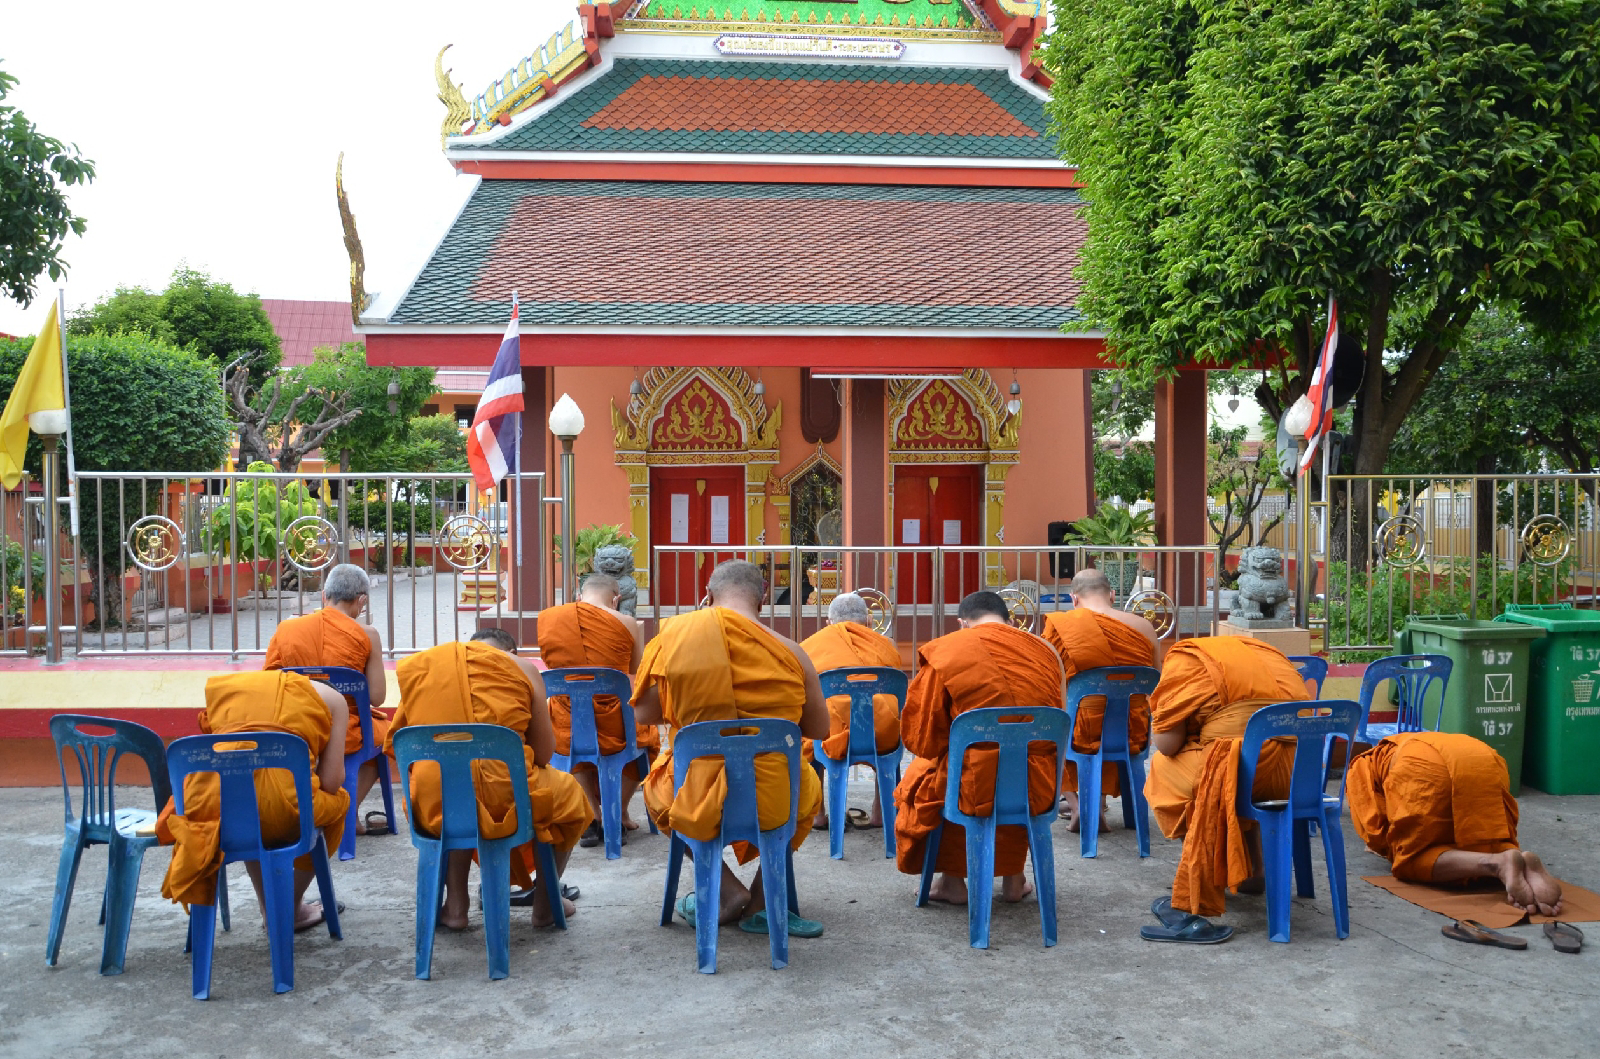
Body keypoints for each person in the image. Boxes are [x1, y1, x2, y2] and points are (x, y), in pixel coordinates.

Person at [632, 559, 830, 935]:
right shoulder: (791, 652)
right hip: (774, 797)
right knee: (806, 786)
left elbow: (643, 714)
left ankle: (726, 889)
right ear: (763, 601)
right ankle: (761, 903)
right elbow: (820, 729)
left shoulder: (674, 641)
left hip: (694, 793)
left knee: (658, 789)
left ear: (707, 596)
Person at [384, 628, 593, 929]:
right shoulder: (522, 668)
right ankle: (546, 904)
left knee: (455, 791)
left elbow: (401, 745)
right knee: (570, 796)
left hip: (434, 801)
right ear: (509, 654)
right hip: (508, 798)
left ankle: (456, 905)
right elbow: (544, 753)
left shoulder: (430, 668)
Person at [893, 590, 1067, 906]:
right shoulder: (1044, 651)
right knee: (1017, 759)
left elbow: (924, 739)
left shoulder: (948, 651)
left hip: (974, 789)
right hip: (1040, 786)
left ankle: (952, 882)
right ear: (1010, 622)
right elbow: (1059, 718)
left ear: (962, 623)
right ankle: (1014, 879)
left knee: (938, 770)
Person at [157, 670, 350, 932]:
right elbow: (332, 781)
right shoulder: (334, 699)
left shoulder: (229, 688)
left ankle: (267, 907)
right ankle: (290, 907)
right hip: (286, 807)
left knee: (244, 796)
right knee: (339, 800)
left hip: (211, 806)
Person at [1145, 636, 1309, 922]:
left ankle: (1207, 870)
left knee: (1168, 766)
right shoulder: (1273, 656)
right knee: (1231, 760)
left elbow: (1167, 745)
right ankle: (1255, 868)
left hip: (1239, 777)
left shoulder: (1185, 662)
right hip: (1297, 777)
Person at [1347, 731, 1561, 916]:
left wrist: (1389, 848)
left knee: (1411, 859)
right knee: (1486, 838)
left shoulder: (1360, 766)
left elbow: (1376, 830)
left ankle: (1497, 863)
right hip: (1483, 758)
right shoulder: (1404, 743)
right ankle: (1515, 860)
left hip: (1423, 765)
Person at [264, 562, 388, 832]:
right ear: (362, 601)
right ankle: (348, 812)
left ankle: (324, 807)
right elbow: (377, 697)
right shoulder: (367, 634)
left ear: (324, 595)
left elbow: (270, 682)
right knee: (385, 736)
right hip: (349, 731)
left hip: (297, 726)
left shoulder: (288, 630)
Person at [536, 572, 654, 847]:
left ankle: (592, 815)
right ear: (616, 599)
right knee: (647, 736)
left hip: (568, 721)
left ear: (579, 596)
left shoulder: (549, 618)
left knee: (571, 730)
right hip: (616, 721)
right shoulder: (626, 622)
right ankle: (618, 812)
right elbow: (634, 670)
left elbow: (551, 665)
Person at [1041, 569, 1158, 834]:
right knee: (1108, 713)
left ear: (1074, 599)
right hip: (1132, 731)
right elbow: (1155, 680)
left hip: (1080, 734)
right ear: (1113, 595)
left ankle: (1078, 805)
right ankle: (1099, 802)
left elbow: (1050, 682)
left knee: (1058, 722)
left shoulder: (1061, 627)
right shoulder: (1144, 627)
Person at [799, 591, 905, 830]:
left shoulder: (811, 645)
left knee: (810, 731)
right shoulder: (886, 645)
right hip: (883, 736)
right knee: (887, 718)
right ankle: (880, 812)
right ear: (868, 621)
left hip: (829, 736)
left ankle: (818, 814)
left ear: (829, 623)